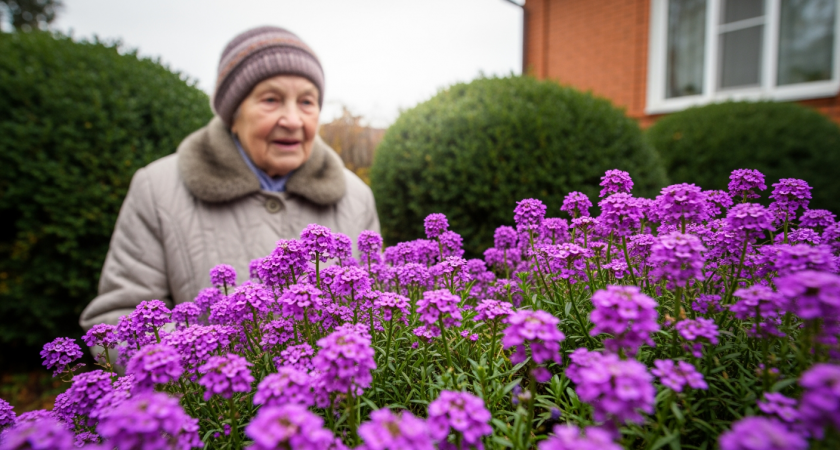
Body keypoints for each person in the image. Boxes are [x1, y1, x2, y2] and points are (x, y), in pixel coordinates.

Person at [79, 26, 379, 330]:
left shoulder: (356, 196)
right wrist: (206, 364)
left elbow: (374, 304)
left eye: (307, 102)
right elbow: (118, 316)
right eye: (271, 100)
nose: (292, 120)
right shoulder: (157, 188)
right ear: (233, 114)